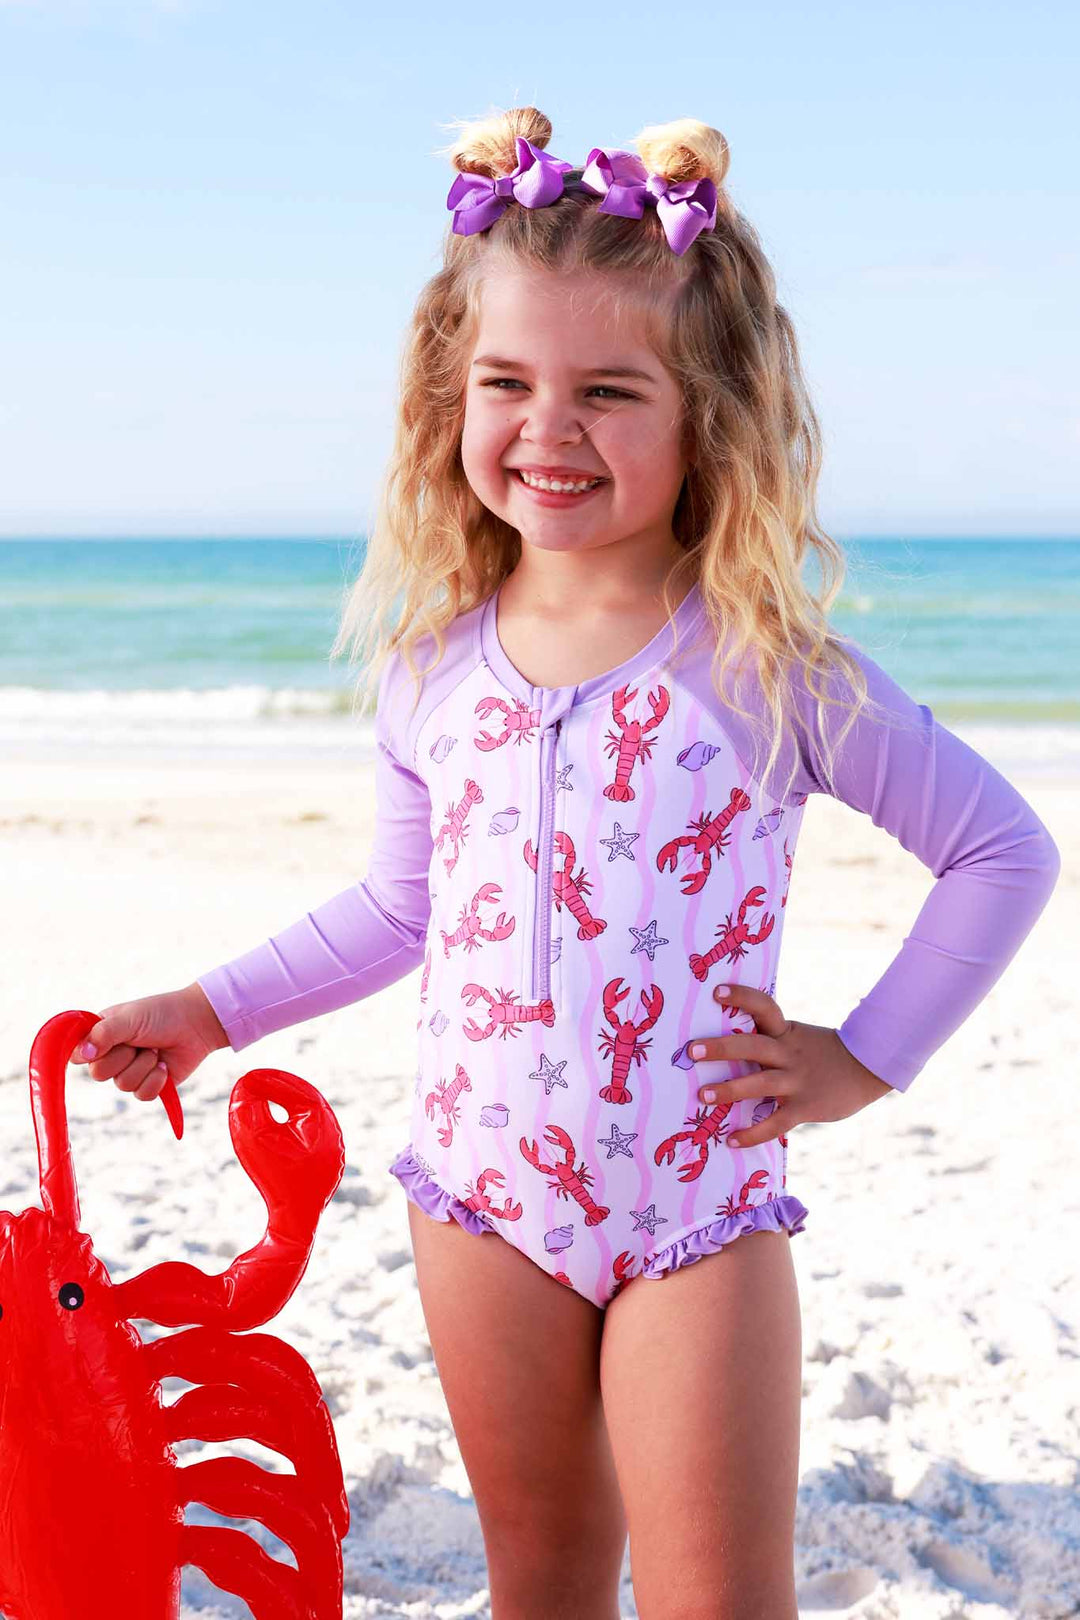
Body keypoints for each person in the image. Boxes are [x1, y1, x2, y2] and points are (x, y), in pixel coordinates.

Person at [70, 108, 1060, 1620]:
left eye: (610, 390)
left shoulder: (768, 670)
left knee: (719, 1598)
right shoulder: (429, 674)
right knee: (539, 1579)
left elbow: (1000, 849)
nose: (551, 427)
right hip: (476, 1200)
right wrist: (212, 1010)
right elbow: (403, 908)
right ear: (445, 403)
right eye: (508, 386)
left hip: (694, 1206)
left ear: (707, 413)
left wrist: (865, 1057)